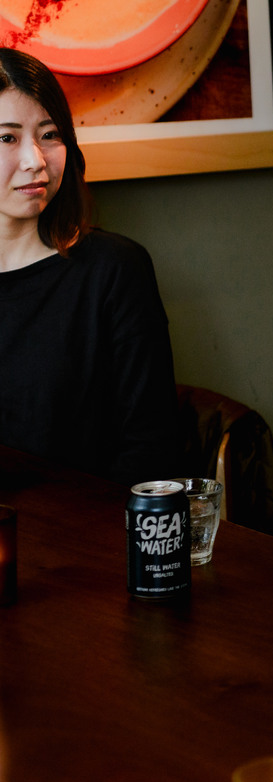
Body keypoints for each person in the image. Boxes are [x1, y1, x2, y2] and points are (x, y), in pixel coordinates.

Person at [0, 48, 179, 486]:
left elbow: (150, 451)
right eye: (7, 138)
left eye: (50, 135)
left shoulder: (114, 270)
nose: (35, 161)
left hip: (83, 540)